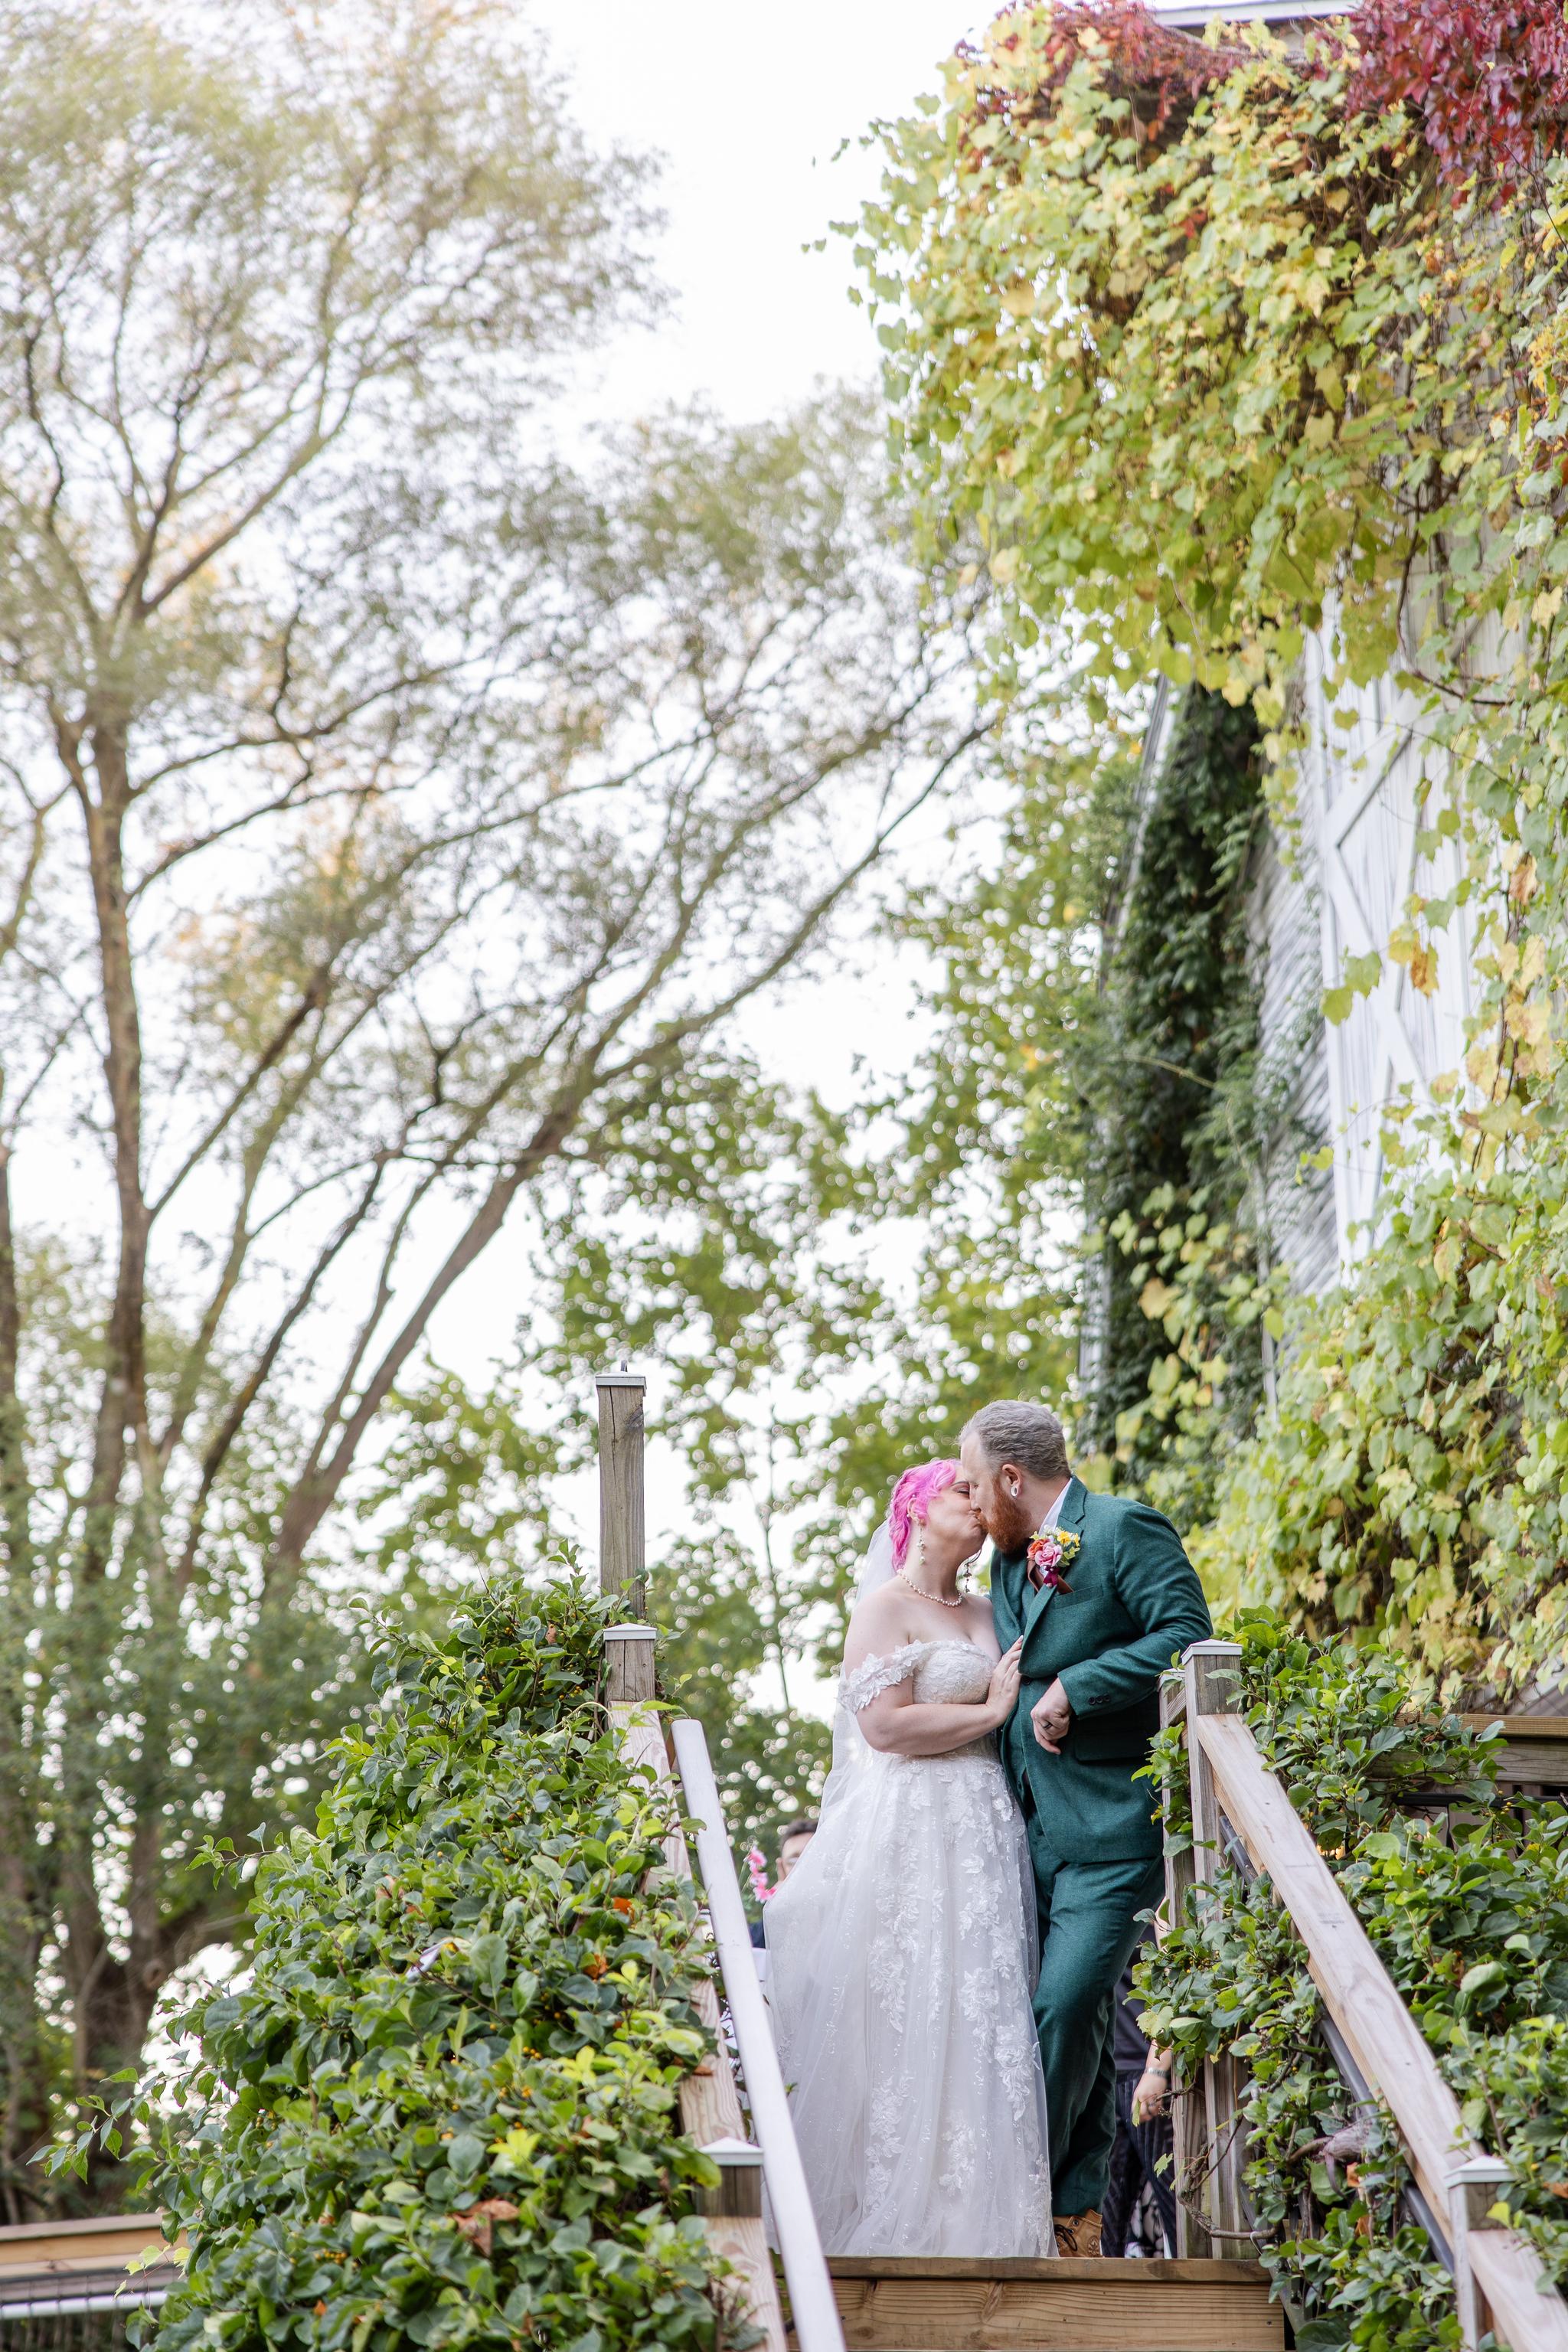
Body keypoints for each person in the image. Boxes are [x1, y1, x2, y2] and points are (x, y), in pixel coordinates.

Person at [765, 1460, 1054, 2257]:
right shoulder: (883, 1610)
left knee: (984, 1999)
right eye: (961, 1488)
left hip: (985, 1820)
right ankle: (903, 2210)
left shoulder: (990, 1603)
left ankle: (984, 2219)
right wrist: (991, 1709)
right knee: (918, 1996)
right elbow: (883, 1730)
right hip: (915, 1824)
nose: (977, 1498)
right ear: (917, 1511)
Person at [959, 1399, 1211, 2258]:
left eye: (972, 1482)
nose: (967, 1499)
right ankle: (1073, 2213)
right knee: (1059, 2022)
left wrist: (1082, 1685)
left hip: (1112, 1826)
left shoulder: (1121, 1529)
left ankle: (1043, 2204)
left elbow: (1187, 1636)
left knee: (1063, 2005)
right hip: (1020, 1833)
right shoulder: (1002, 1566)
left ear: (1010, 1478)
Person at [1102, 1926, 1178, 2257]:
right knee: (1105, 2224)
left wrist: (1157, 2066)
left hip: (1145, 2073)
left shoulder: (1157, 1892)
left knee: (1176, 2206)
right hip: (1103, 2075)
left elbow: (1178, 1981)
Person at [749, 1818, 817, 1950]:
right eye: (794, 1860)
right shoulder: (763, 1930)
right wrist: (776, 1913)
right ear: (781, 1869)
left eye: (812, 1855)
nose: (803, 1865)